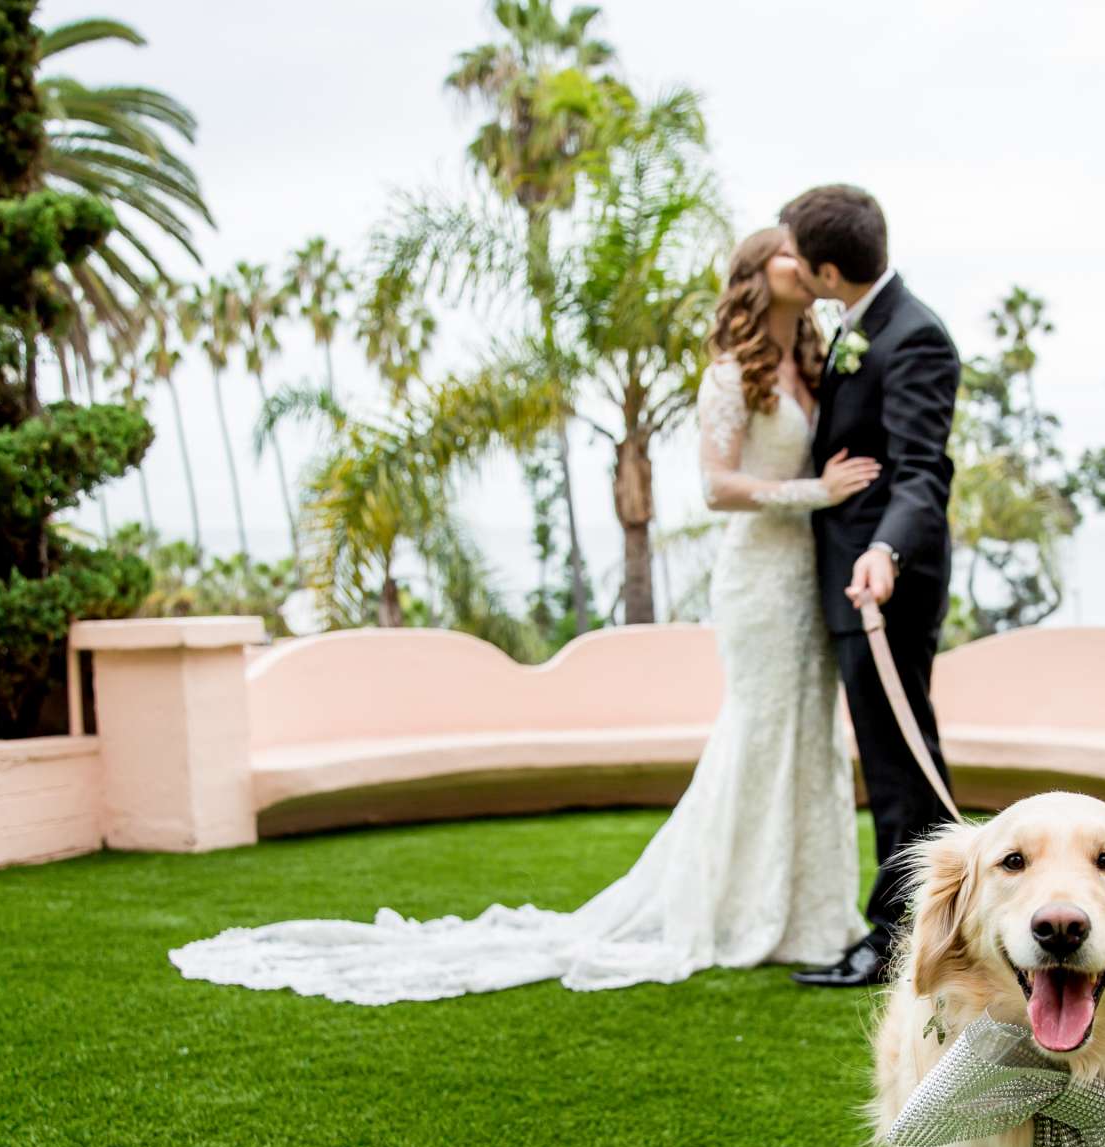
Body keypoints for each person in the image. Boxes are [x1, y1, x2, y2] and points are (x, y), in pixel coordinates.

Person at [167, 227, 877, 1003]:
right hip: (758, 578)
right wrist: (817, 493)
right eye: (787, 254)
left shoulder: (821, 357)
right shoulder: (726, 375)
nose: (803, 267)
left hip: (810, 575)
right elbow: (714, 487)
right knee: (761, 731)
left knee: (809, 732)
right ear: (755, 273)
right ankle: (745, 909)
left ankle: (810, 911)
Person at [779, 184, 964, 989]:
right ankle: (936, 926)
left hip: (882, 587)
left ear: (826, 270)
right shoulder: (858, 326)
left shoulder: (915, 337)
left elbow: (924, 474)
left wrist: (884, 551)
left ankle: (896, 941)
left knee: (898, 769)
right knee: (895, 762)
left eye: (794, 254)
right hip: (852, 580)